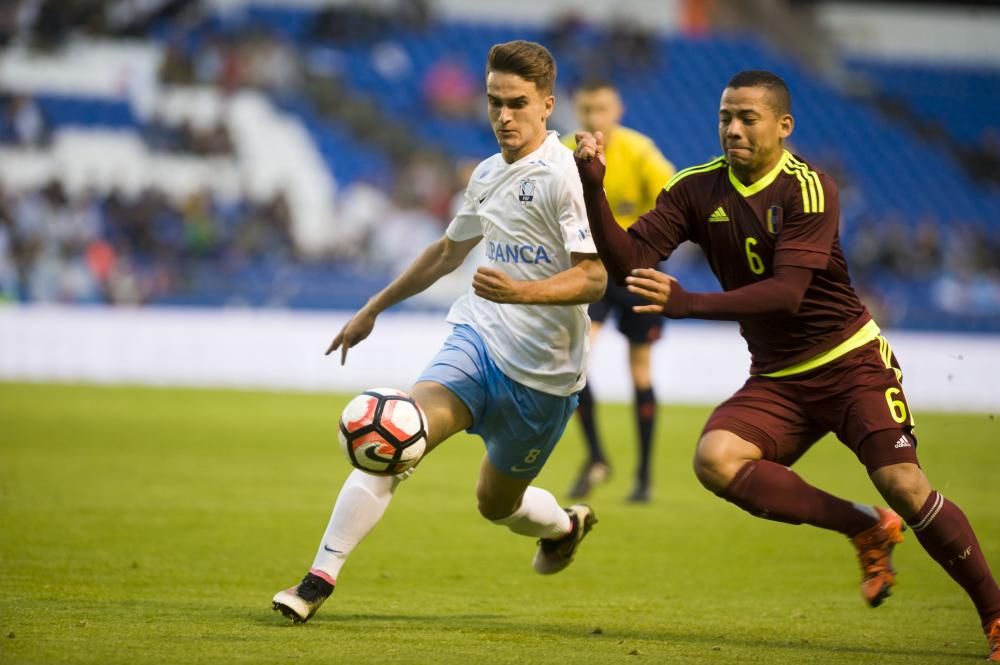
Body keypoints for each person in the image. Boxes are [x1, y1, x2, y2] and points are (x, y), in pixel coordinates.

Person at [573, 69, 1000, 661]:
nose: (733, 128)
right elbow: (630, 259)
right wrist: (594, 190)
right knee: (715, 461)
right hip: (778, 376)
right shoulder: (695, 188)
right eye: (726, 116)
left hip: (850, 363)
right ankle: (863, 525)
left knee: (903, 484)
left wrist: (687, 302)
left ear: (783, 125)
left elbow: (787, 293)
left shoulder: (809, 187)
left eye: (748, 117)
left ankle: (996, 615)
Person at [272, 40, 607, 624]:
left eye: (518, 103)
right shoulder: (485, 174)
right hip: (477, 342)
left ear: (548, 104)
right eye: (494, 102)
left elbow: (595, 277)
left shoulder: (565, 178)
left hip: (545, 380)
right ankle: (317, 580)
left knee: (494, 504)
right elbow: (448, 252)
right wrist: (374, 307)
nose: (504, 116)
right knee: (398, 435)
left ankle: (563, 524)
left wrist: (522, 292)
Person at [561, 80, 676, 502]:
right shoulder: (564, 155)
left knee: (640, 370)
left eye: (602, 109)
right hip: (592, 270)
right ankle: (596, 458)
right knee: (575, 362)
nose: (594, 118)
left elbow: (672, 198)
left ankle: (643, 476)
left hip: (640, 271)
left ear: (618, 109)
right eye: (587, 109)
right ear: (577, 110)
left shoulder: (639, 151)